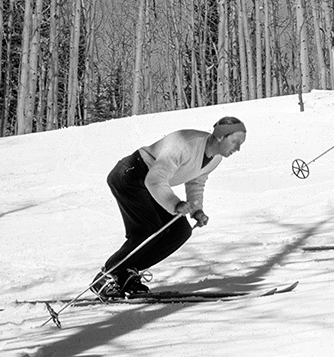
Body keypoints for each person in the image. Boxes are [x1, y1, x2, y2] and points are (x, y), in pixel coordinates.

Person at [90, 116, 247, 298]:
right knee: (148, 229)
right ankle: (107, 276)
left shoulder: (216, 158)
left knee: (179, 231)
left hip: (150, 184)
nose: (238, 148)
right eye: (235, 142)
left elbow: (196, 181)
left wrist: (197, 210)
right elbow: (154, 179)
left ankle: (126, 274)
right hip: (131, 175)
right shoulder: (186, 144)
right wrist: (175, 204)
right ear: (220, 137)